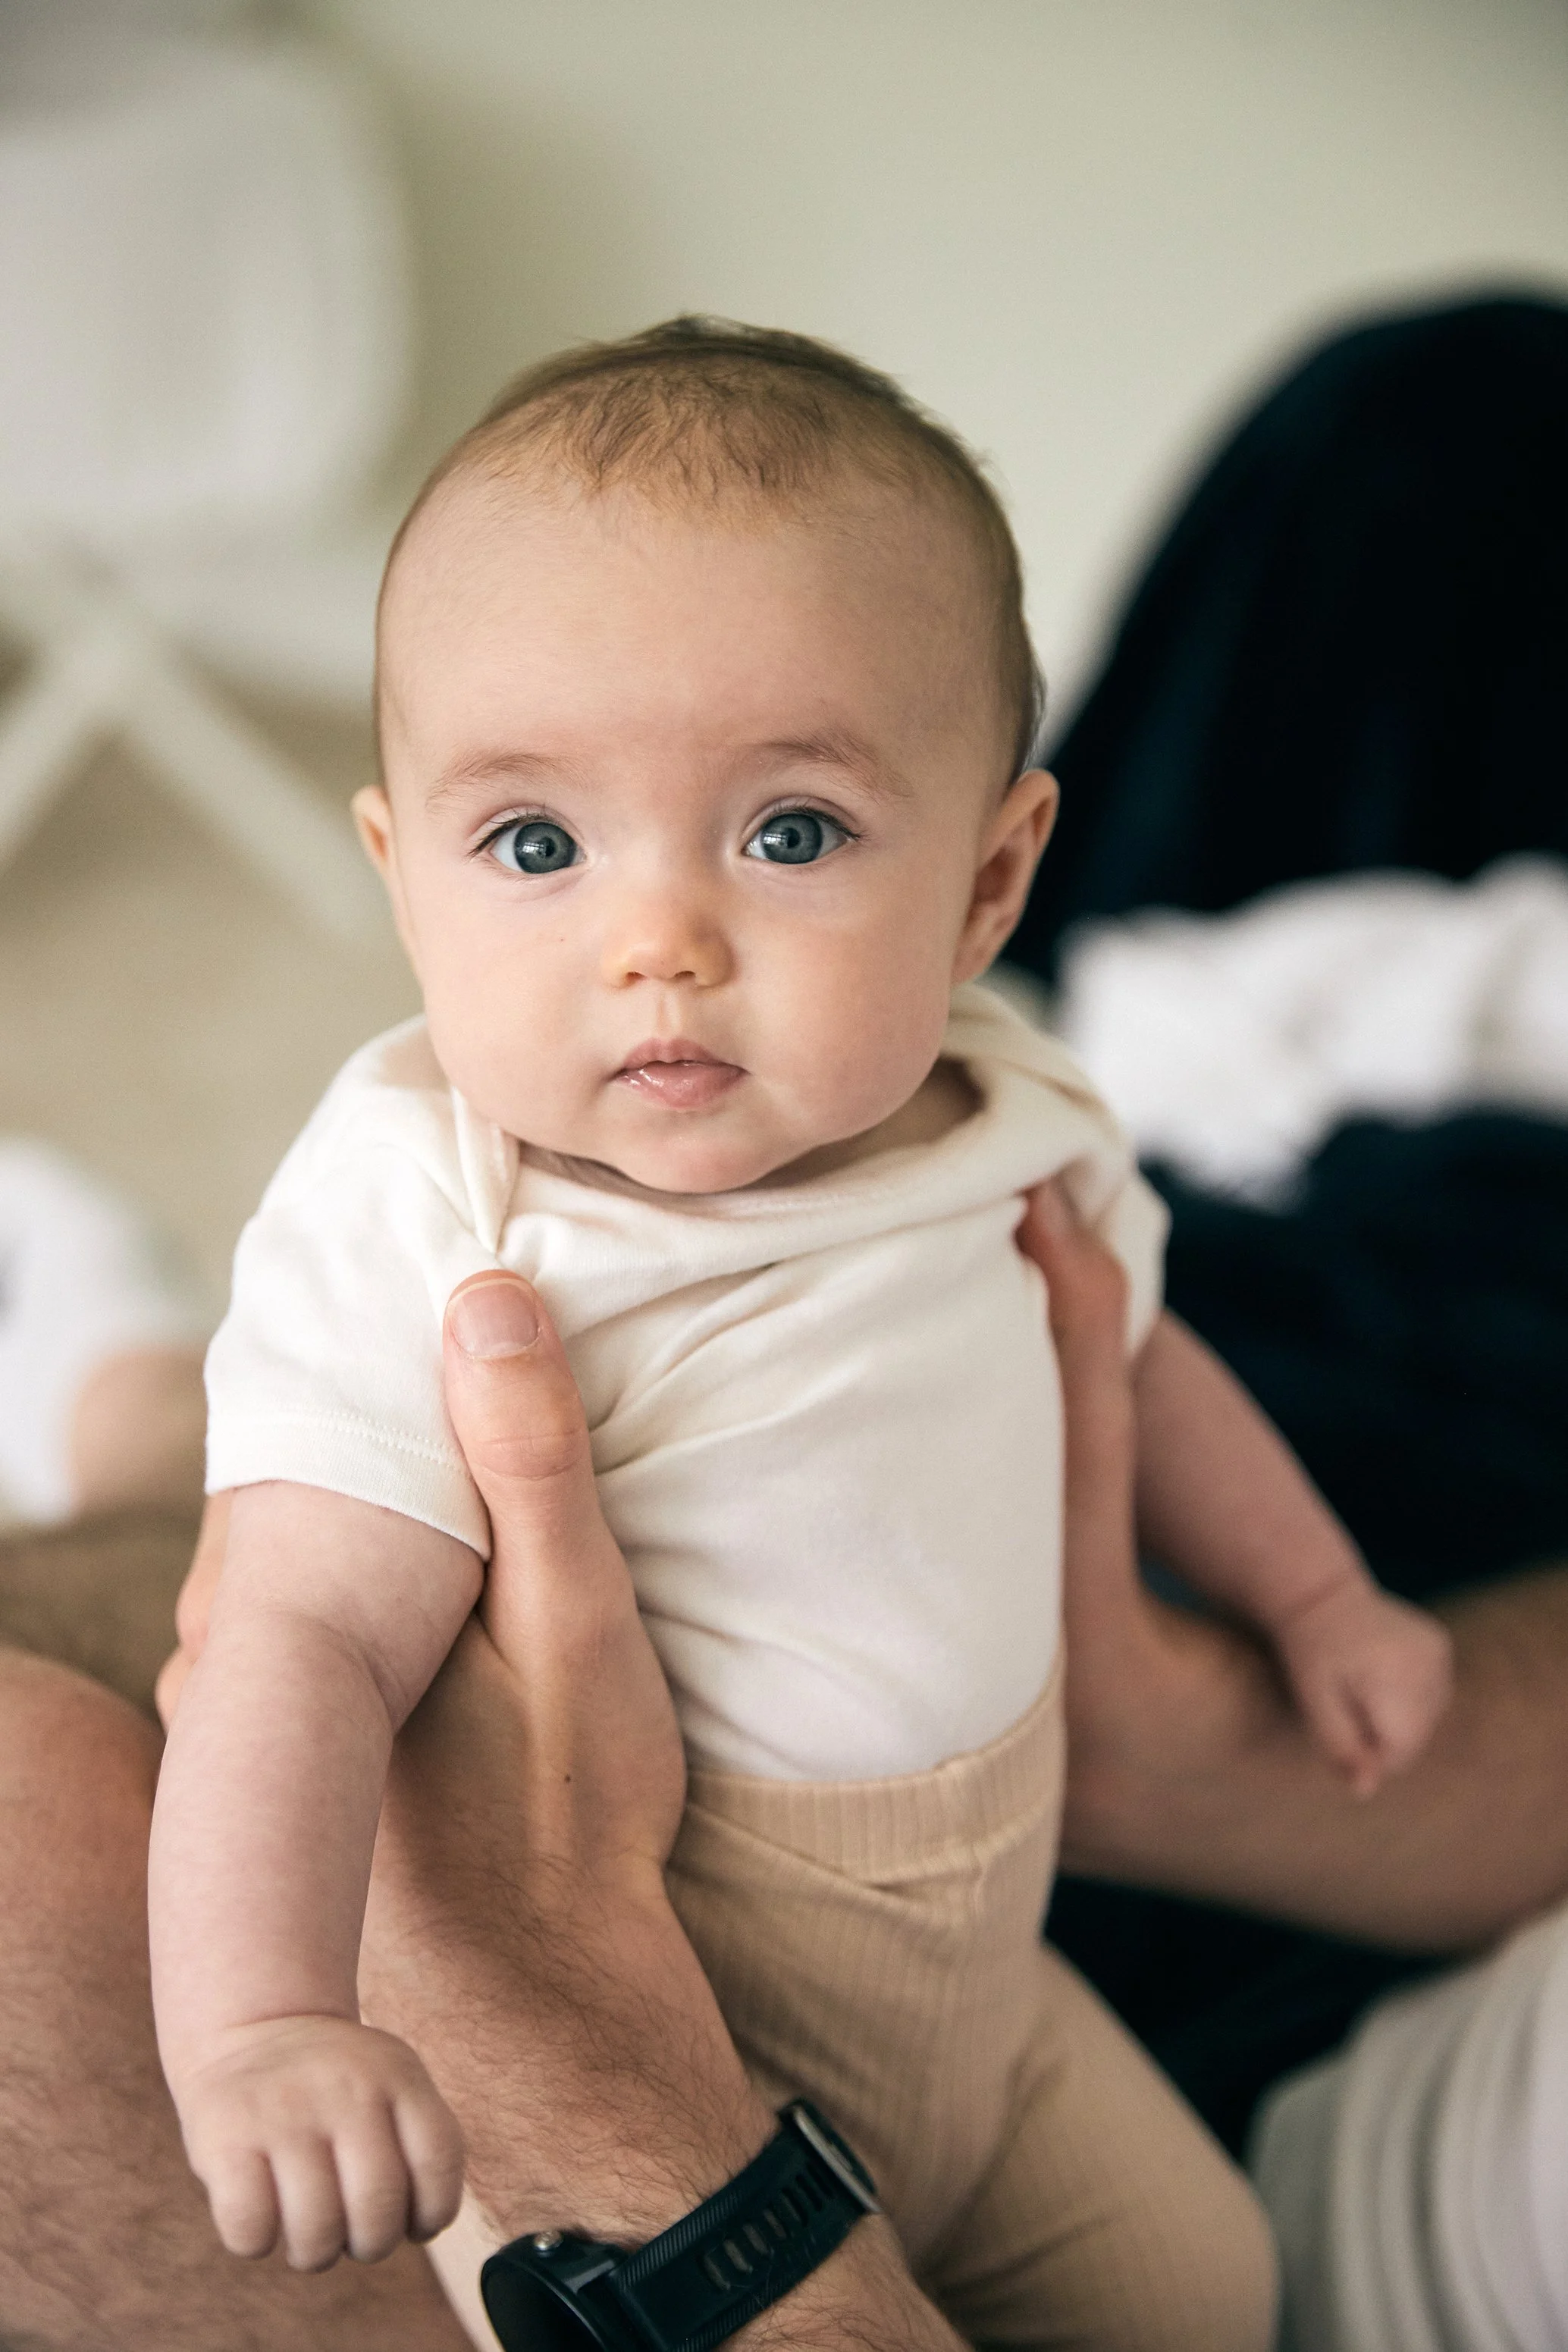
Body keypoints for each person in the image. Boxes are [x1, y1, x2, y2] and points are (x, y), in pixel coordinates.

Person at [150, 321, 1452, 2341]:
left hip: (991, 1978)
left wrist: (1318, 1597)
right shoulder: (421, 1205)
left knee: (1210, 2286)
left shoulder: (1010, 1108)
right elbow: (288, 1638)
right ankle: (112, 1360)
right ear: (405, 883)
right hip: (658, 2007)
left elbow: (1135, 1360)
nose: (655, 937)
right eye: (534, 844)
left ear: (989, 879)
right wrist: (261, 2023)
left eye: (789, 832)